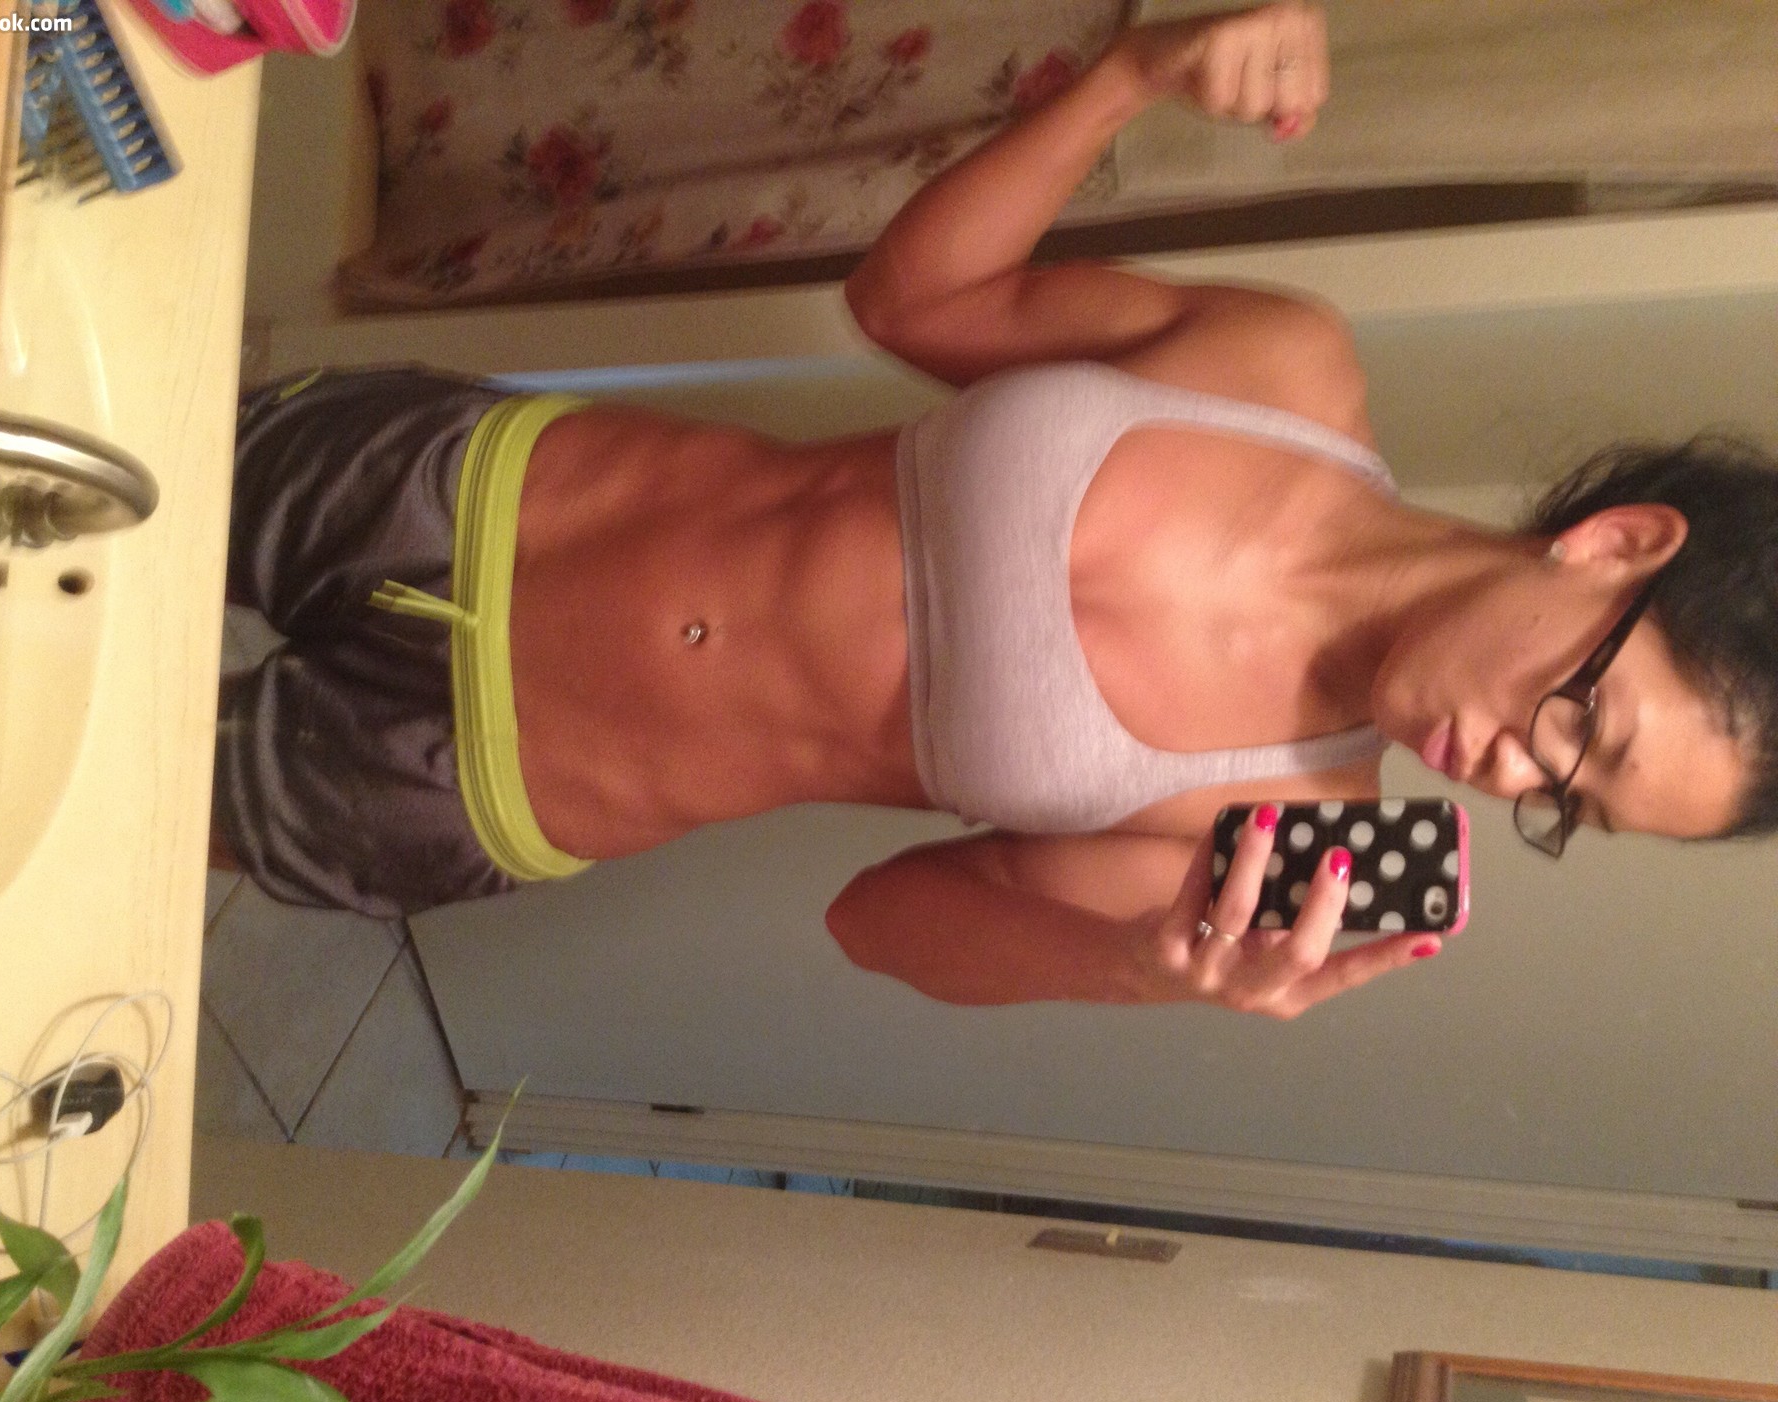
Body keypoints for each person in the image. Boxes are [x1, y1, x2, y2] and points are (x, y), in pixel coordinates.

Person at [215, 1, 1778, 1016]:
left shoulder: (1281, 840)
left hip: (477, 784)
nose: (1514, 772)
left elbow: (880, 923)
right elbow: (912, 300)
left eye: (1568, 804)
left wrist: (1142, 967)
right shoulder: (1279, 370)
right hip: (463, 488)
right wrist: (1131, 75)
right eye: (1586, 723)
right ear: (1619, 544)